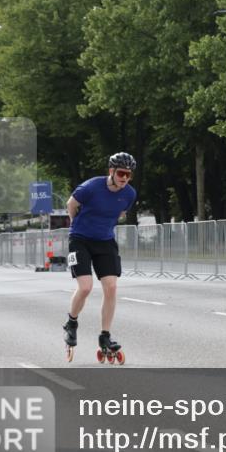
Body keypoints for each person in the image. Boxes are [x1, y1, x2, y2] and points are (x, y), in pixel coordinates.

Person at [62, 152, 137, 364]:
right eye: (121, 173)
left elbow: (120, 213)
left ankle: (105, 336)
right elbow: (71, 205)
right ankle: (71, 323)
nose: (124, 178)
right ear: (111, 171)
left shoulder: (129, 194)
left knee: (111, 287)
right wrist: (78, 225)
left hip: (105, 241)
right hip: (80, 240)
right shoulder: (91, 187)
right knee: (85, 287)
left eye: (129, 175)